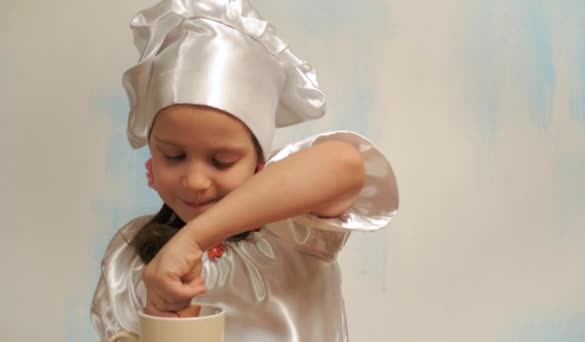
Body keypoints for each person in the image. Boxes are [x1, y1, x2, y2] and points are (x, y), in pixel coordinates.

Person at [90, 0, 399, 341]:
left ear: (260, 165)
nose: (195, 181)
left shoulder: (294, 230)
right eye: (174, 156)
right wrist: (158, 319)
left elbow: (346, 164)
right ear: (151, 158)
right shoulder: (132, 254)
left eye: (221, 161)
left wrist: (193, 238)